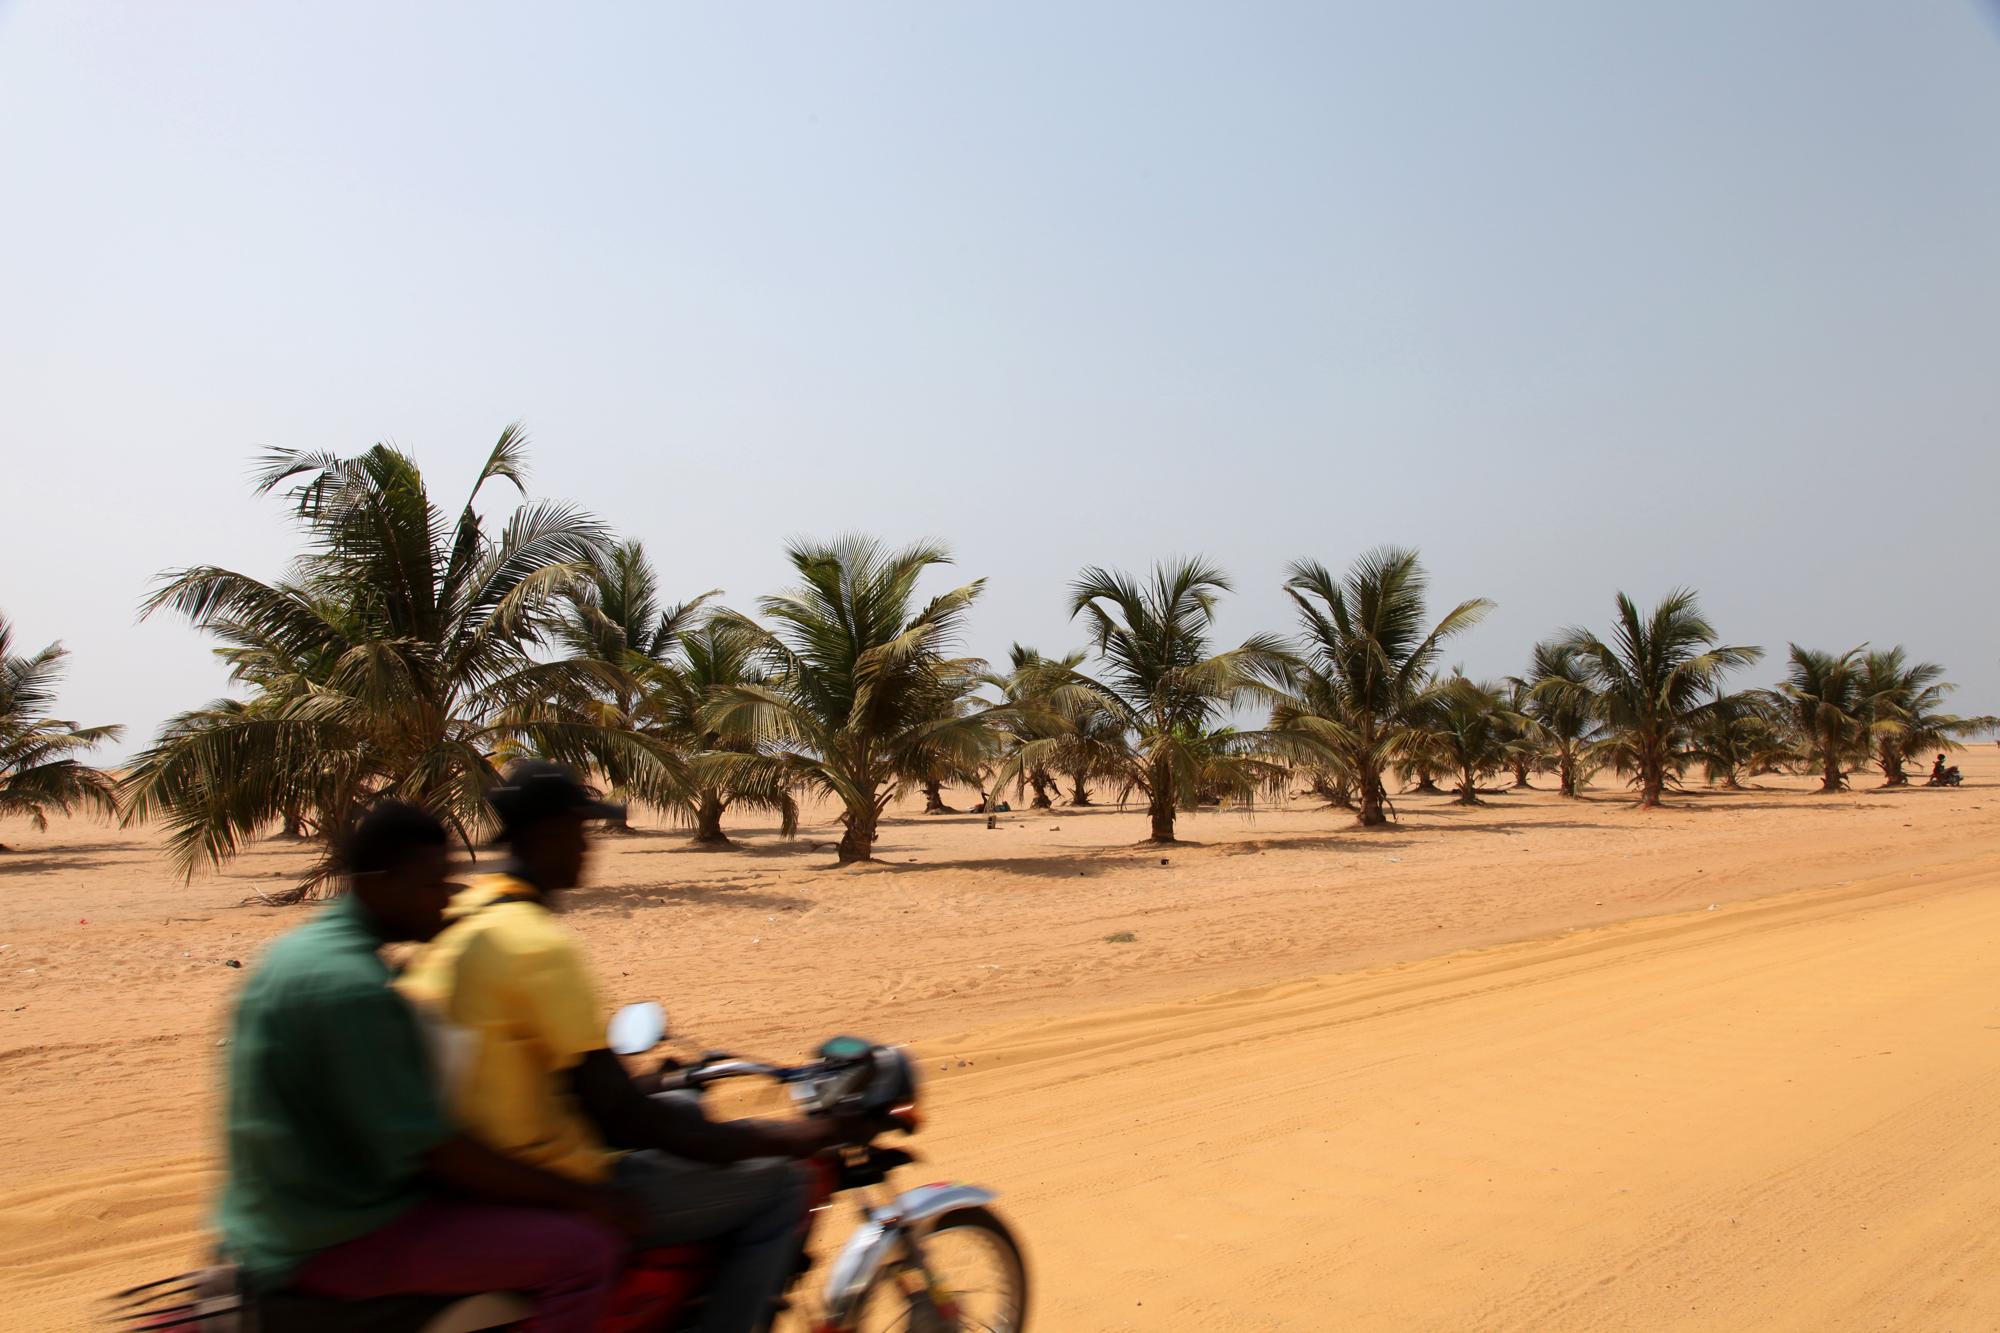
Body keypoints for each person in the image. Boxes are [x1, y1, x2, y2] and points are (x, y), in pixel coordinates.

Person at [400, 762, 868, 1333]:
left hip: (475, 1169)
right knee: (781, 1185)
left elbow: (550, 1069)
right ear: (547, 834)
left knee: (680, 1110)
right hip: (546, 1180)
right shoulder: (533, 944)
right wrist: (784, 1135)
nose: (588, 848)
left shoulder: (462, 917)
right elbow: (621, 1114)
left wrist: (649, 1085)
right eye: (580, 831)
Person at [217, 801, 634, 1332]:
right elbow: (435, 1151)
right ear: (379, 884)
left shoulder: (299, 953)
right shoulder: (354, 988)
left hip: (271, 1220)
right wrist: (583, 1196)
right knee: (584, 1253)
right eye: (432, 883)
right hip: (337, 1233)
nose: (446, 899)